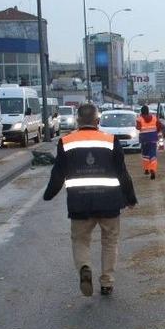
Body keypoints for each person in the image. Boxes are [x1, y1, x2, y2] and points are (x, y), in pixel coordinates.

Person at [43, 103, 137, 297]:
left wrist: (49, 194)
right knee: (110, 241)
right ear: (98, 120)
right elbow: (122, 172)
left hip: (79, 203)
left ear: (77, 120)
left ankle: (84, 267)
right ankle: (107, 282)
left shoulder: (66, 141)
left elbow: (58, 174)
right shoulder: (110, 140)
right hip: (109, 202)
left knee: (80, 240)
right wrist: (130, 198)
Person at [136, 105, 159, 179]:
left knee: (145, 155)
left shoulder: (139, 119)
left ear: (141, 111)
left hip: (144, 139)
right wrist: (156, 132)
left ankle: (146, 169)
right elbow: (159, 126)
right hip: (153, 139)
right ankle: (152, 169)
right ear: (148, 111)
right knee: (153, 155)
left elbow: (138, 128)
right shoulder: (154, 118)